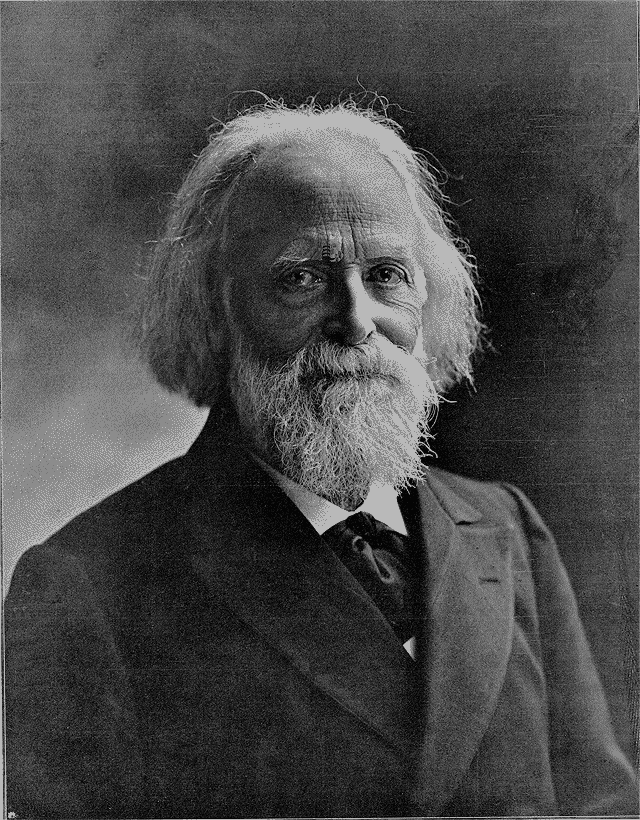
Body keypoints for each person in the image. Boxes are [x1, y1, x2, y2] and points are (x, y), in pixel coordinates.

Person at [5, 100, 637, 819]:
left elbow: (604, 806)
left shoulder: (510, 530)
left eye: (387, 274)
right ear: (217, 309)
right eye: (302, 278)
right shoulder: (87, 587)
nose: (357, 320)